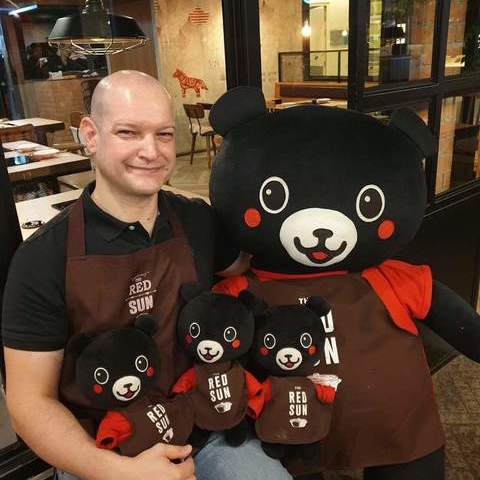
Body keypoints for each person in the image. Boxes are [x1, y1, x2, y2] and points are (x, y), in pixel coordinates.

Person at [2, 71, 293, 480]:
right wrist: (119, 471)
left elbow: (244, 267)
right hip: (104, 446)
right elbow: (29, 402)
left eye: (164, 134)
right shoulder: (42, 257)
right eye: (128, 132)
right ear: (90, 135)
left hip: (204, 425)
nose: (151, 151)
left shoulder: (197, 220)